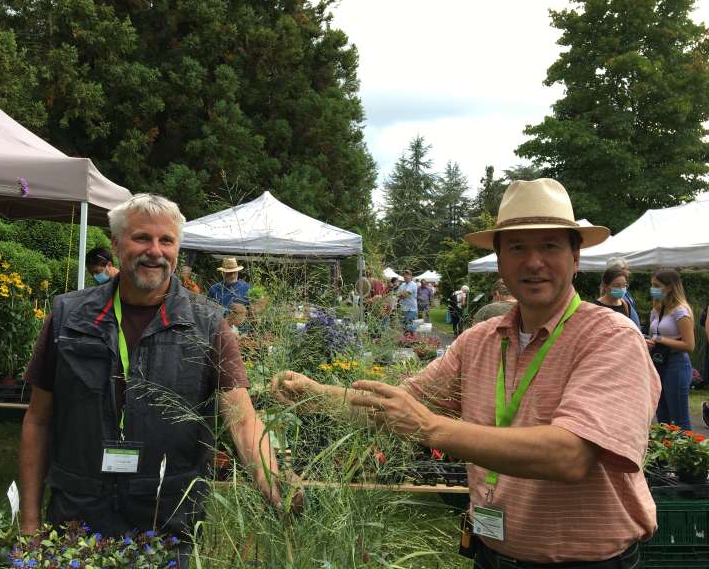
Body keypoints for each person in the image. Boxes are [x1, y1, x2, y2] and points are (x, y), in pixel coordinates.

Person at [273, 178, 658, 567]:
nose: (533, 261)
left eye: (550, 246)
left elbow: (571, 455)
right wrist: (316, 394)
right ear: (500, 259)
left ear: (575, 257)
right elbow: (398, 408)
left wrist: (430, 428)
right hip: (491, 554)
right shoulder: (480, 341)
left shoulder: (610, 337)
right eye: (518, 247)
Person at [20, 194, 292, 563]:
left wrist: (273, 480)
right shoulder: (69, 315)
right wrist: (30, 522)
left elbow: (242, 417)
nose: (155, 251)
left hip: (167, 521)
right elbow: (38, 420)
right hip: (77, 514)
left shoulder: (208, 324)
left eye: (166, 241)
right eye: (141, 238)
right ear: (116, 244)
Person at [647, 268, 695, 430]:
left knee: (679, 418)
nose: (652, 289)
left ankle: (687, 454)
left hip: (676, 365)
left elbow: (689, 345)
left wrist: (661, 339)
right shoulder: (656, 309)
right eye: (652, 284)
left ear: (669, 287)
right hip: (658, 363)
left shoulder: (680, 311)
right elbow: (653, 334)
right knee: (662, 416)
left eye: (656, 285)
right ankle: (666, 454)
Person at [606, 257, 641, 328]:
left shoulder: (625, 290)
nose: (629, 272)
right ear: (617, 271)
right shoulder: (611, 294)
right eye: (626, 269)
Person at [396, 270, 418, 334]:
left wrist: (402, 294)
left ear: (411, 276)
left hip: (411, 309)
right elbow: (397, 294)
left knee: (411, 327)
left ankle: (413, 340)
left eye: (408, 275)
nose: (406, 276)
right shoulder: (402, 285)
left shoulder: (413, 284)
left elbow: (404, 295)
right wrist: (401, 294)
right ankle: (406, 341)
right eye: (405, 275)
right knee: (404, 326)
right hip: (403, 308)